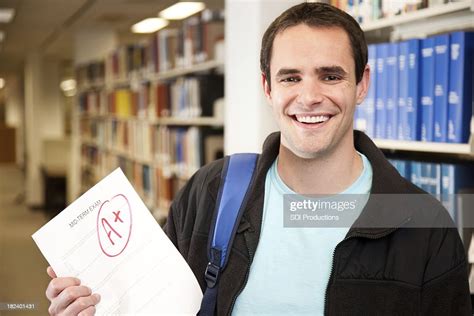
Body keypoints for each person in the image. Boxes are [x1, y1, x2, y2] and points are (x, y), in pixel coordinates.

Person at [45, 2, 471, 315]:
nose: (309, 97)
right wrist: (94, 305)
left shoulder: (423, 224)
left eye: (331, 75)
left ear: (362, 85)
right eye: (291, 77)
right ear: (267, 87)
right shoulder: (211, 193)